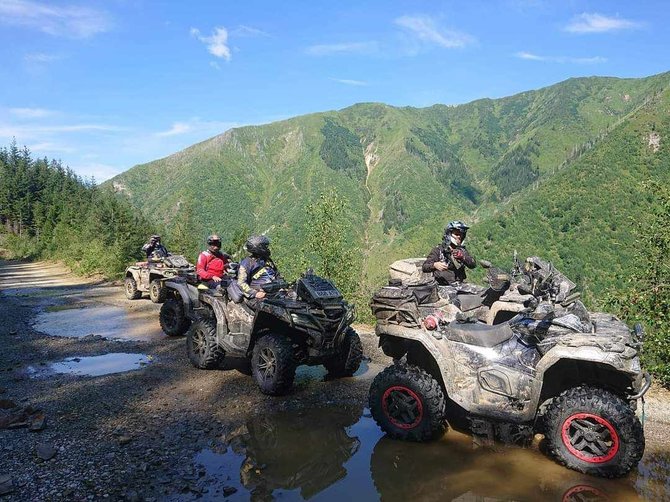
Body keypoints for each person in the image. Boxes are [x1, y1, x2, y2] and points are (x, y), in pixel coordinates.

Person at [422, 221, 476, 285]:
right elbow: (424, 267)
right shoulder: (438, 250)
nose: (459, 236)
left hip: (460, 284)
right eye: (456, 234)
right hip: (442, 286)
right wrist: (435, 265)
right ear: (448, 234)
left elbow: (473, 264)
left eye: (461, 234)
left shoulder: (462, 250)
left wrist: (463, 257)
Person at [237, 235, 279, 300]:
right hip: (259, 296)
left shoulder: (267, 259)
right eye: (264, 246)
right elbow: (241, 283)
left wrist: (281, 284)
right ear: (258, 248)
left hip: (274, 292)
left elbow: (276, 274)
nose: (267, 248)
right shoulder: (247, 263)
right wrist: (255, 293)